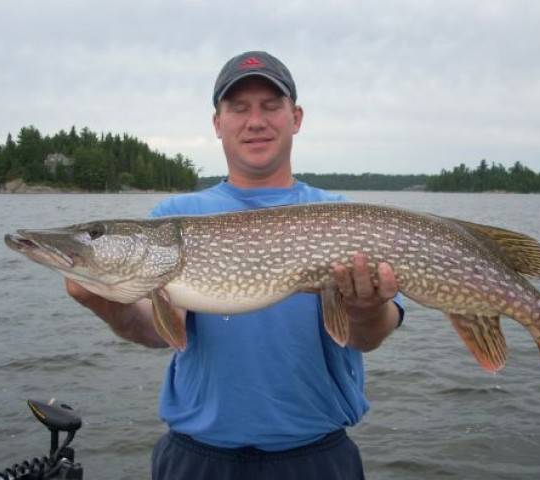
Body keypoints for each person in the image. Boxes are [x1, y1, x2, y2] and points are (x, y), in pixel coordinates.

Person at [66, 51, 404, 480]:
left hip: (316, 459)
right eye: (238, 108)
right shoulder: (176, 216)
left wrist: (366, 308)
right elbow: (155, 330)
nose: (255, 121)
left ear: (295, 117)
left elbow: (372, 334)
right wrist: (107, 304)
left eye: (270, 106)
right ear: (217, 123)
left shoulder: (339, 215)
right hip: (197, 458)